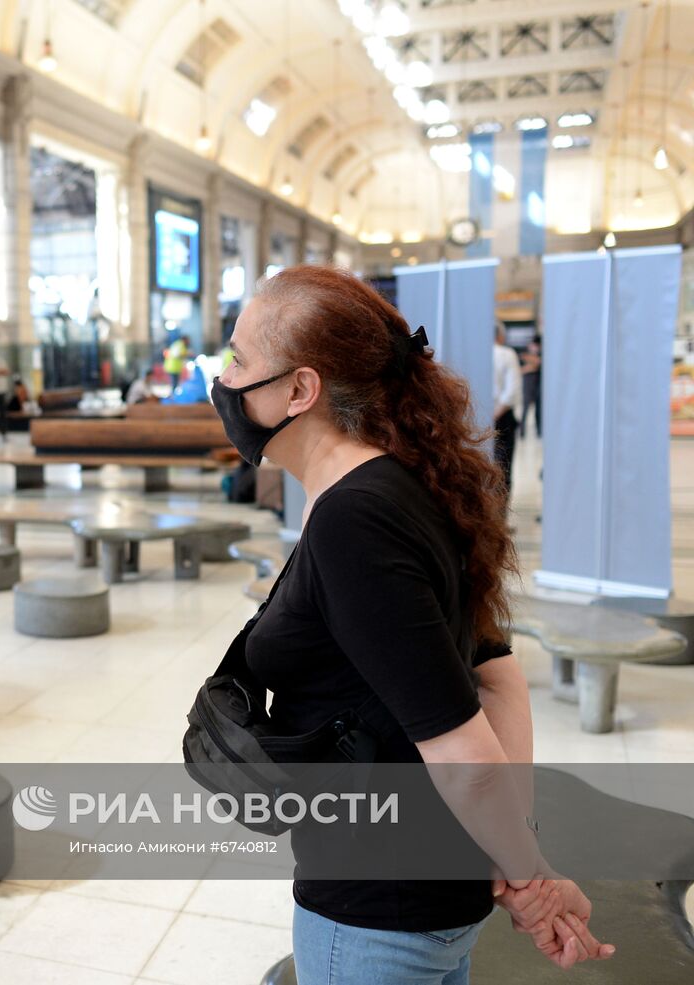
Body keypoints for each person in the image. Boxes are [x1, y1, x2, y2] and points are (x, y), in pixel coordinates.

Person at [208, 266, 612, 985]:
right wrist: (509, 853)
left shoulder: (354, 523)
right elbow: (498, 677)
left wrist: (533, 877)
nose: (224, 377)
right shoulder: (405, 483)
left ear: (300, 390)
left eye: (239, 360)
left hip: (375, 912)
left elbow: (461, 746)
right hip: (431, 894)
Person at [493, 322, 522, 498]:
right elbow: (512, 391)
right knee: (503, 469)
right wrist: (496, 414)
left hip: (475, 417)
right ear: (501, 336)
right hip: (502, 418)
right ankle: (499, 521)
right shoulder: (507, 354)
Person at [519, 335, 542, 439]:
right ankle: (522, 431)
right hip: (528, 384)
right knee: (525, 408)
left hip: (537, 384)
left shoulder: (540, 353)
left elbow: (537, 363)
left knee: (538, 409)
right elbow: (522, 368)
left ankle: (539, 431)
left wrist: (532, 364)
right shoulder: (525, 353)